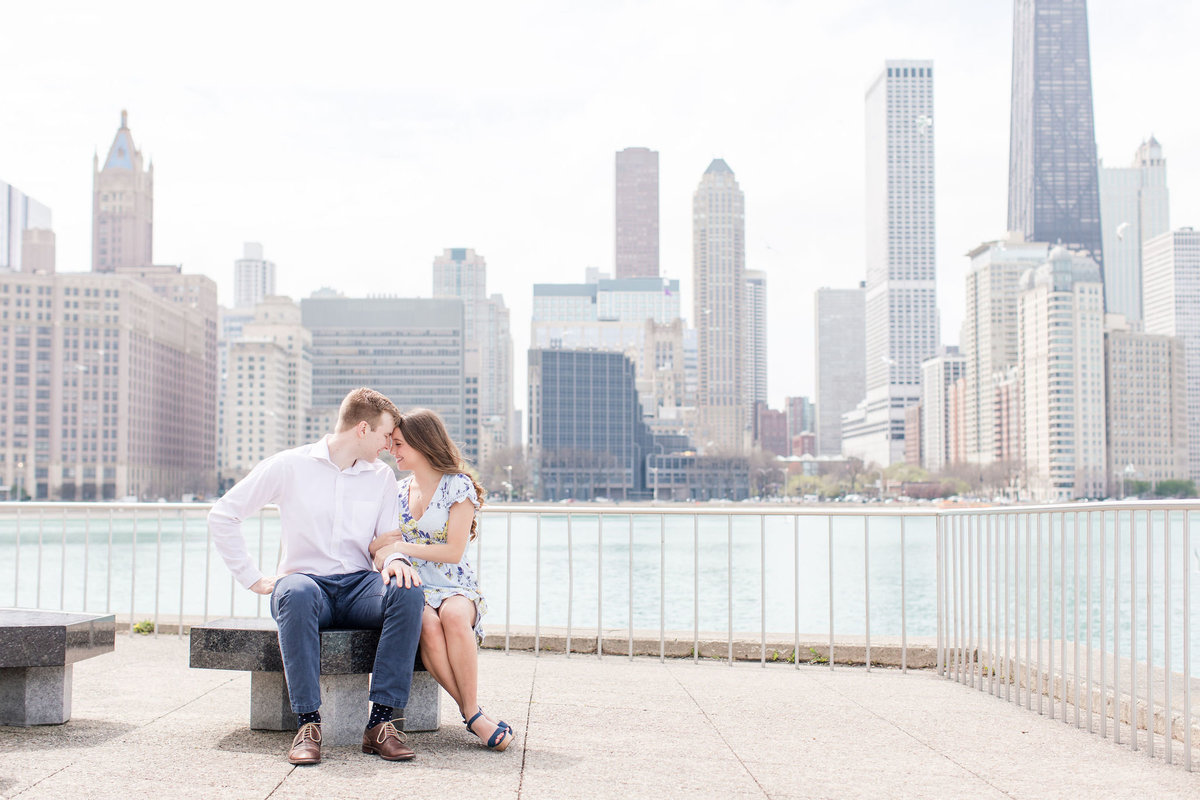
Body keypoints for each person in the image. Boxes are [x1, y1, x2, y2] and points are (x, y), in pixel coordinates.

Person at [208, 387, 425, 766]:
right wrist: (253, 579)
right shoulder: (289, 465)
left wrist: (396, 561)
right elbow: (224, 515)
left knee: (406, 591)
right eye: (384, 435)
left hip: (360, 587)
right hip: (305, 586)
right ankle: (308, 724)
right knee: (296, 591)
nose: (389, 445)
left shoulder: (381, 478)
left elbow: (388, 542)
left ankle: (380, 724)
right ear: (362, 429)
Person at [370, 408, 514, 751]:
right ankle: (474, 715)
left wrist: (401, 544)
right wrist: (386, 548)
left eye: (400, 443)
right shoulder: (399, 489)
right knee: (428, 625)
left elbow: (453, 551)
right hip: (415, 586)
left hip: (455, 584)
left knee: (451, 616)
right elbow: (376, 545)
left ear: (422, 443)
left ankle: (471, 711)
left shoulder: (457, 485)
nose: (394, 450)